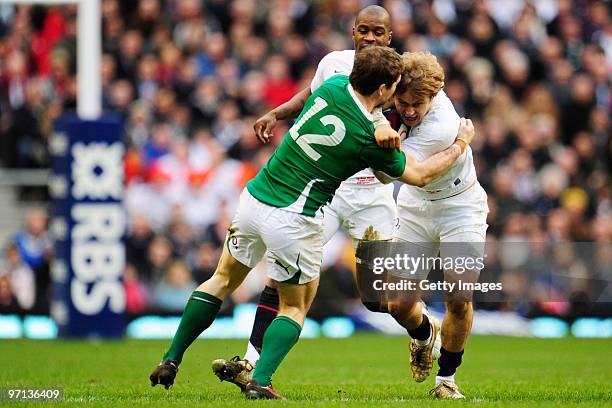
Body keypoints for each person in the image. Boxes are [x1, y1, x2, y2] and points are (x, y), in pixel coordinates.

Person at [149, 46, 475, 400]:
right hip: (294, 215)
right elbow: (418, 173)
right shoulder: (370, 136)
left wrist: (276, 113)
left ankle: (171, 358)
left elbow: (315, 97)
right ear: (382, 91)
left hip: (255, 197)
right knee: (294, 305)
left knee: (222, 279)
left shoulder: (332, 85)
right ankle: (260, 378)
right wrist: (461, 142)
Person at [211, 5, 440, 390]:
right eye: (363, 31)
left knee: (376, 298)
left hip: (372, 195)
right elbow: (311, 95)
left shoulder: (400, 78)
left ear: (389, 38)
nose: (369, 38)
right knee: (283, 276)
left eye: (377, 33)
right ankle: (251, 363)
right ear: (353, 33)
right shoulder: (334, 64)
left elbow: (425, 109)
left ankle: (424, 329)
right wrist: (277, 113)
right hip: (326, 192)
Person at [383, 52, 489, 399]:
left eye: (418, 103)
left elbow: (406, 172)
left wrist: (459, 144)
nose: (410, 110)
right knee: (397, 304)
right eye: (403, 102)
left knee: (458, 297)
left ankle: (446, 380)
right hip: (416, 208)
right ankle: (425, 332)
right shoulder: (388, 97)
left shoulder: (442, 126)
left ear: (434, 96)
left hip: (460, 206)